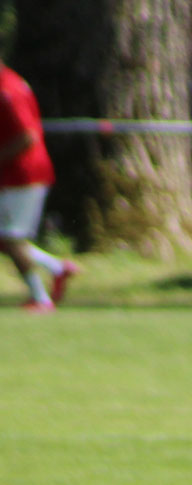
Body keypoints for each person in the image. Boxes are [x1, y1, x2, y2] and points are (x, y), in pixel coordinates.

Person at [0, 56, 78, 312]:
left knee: (11, 239)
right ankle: (57, 268)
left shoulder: (7, 89)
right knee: (6, 240)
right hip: (15, 176)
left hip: (24, 176)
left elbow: (27, 136)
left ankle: (40, 298)